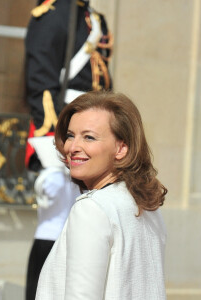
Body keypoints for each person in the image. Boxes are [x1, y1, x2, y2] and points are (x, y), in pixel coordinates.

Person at [35, 90, 168, 300]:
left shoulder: (92, 209)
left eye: (89, 137)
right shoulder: (147, 208)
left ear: (121, 148)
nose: (73, 147)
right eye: (70, 135)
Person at [24, 1, 113, 299]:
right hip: (63, 127)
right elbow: (40, 83)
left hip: (94, 128)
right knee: (54, 223)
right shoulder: (51, 14)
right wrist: (54, 143)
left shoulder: (96, 19)